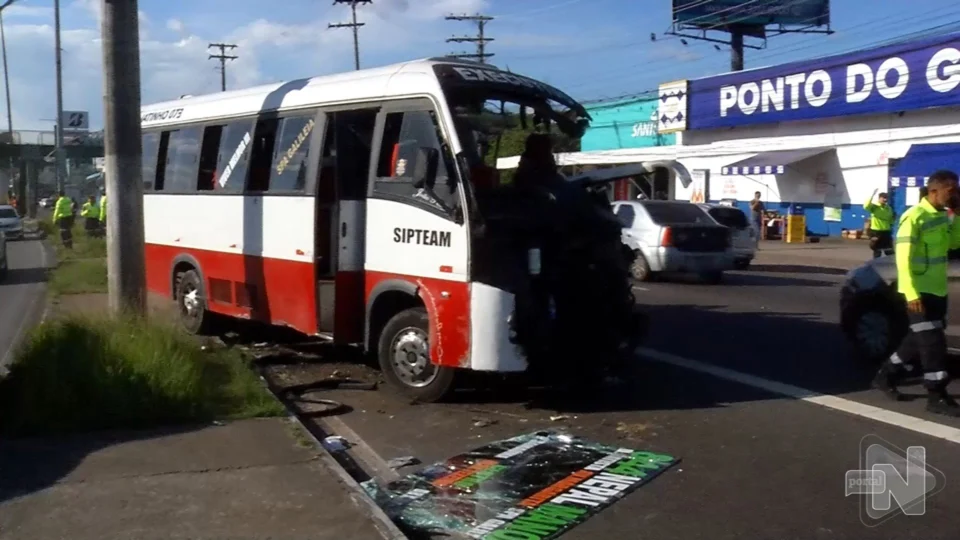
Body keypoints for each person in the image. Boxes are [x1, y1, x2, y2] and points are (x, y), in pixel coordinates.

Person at [873, 169, 960, 417]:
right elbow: (903, 259)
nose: (954, 195)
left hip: (937, 290)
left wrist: (959, 215)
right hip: (918, 293)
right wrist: (911, 294)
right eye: (951, 191)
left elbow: (955, 244)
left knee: (916, 340)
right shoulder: (914, 217)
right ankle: (936, 395)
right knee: (933, 344)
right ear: (934, 190)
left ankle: (885, 375)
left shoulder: (944, 216)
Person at [864, 188, 895, 258]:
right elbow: (866, 206)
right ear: (879, 198)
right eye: (883, 198)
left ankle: (891, 264)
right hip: (876, 232)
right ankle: (876, 265)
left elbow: (890, 219)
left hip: (886, 231)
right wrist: (872, 195)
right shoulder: (874, 207)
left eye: (886, 198)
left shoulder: (888, 208)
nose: (885, 200)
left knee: (889, 251)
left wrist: (892, 221)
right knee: (877, 251)